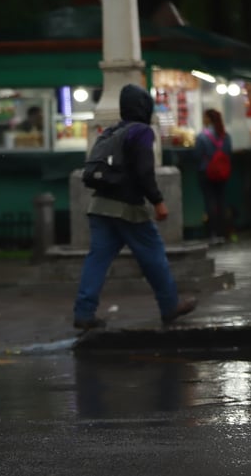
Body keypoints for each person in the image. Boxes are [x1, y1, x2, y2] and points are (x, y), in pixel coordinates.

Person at [73, 84, 198, 332]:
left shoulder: (111, 131)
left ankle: (84, 313)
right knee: (153, 255)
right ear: (144, 106)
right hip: (127, 207)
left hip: (99, 206)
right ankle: (169, 305)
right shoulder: (141, 132)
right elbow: (144, 172)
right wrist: (158, 201)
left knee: (97, 261)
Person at [194, 109, 232, 242]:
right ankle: (223, 233)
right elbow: (228, 153)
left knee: (210, 202)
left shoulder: (202, 137)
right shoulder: (225, 136)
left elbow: (197, 155)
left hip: (206, 173)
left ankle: (212, 233)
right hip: (222, 173)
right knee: (221, 202)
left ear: (208, 119)